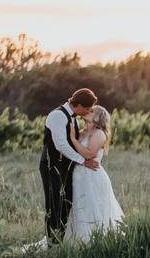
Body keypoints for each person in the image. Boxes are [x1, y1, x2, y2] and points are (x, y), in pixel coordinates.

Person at [36, 88, 101, 248]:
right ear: (78, 105)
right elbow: (61, 145)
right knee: (54, 204)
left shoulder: (72, 118)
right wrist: (82, 161)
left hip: (65, 167)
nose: (88, 112)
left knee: (66, 203)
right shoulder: (57, 115)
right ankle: (52, 245)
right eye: (86, 108)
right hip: (52, 166)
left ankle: (61, 241)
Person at [63, 105, 124, 243]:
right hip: (78, 176)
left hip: (93, 177)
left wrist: (73, 139)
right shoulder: (82, 131)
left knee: (92, 208)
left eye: (91, 111)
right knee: (79, 207)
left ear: (98, 117)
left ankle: (93, 241)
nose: (87, 111)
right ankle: (76, 240)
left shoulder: (99, 133)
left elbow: (89, 154)